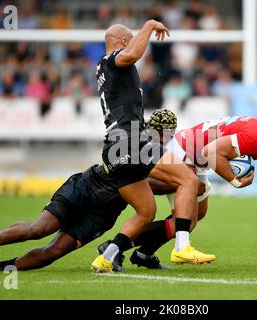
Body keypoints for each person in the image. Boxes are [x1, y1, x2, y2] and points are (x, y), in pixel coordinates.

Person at [0, 110, 205, 272]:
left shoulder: (159, 153)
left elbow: (149, 183)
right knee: (38, 230)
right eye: (165, 133)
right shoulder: (139, 144)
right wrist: (185, 181)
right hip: (86, 188)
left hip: (104, 212)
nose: (166, 138)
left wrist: (183, 181)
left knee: (53, 252)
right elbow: (145, 181)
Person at [111, 109, 257, 269]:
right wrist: (236, 181)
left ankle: (142, 254)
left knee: (198, 214)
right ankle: (116, 247)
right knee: (186, 220)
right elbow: (211, 151)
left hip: (196, 157)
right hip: (185, 152)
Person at [92, 21, 214, 273]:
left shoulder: (102, 68)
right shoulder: (115, 59)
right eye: (132, 39)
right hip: (131, 140)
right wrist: (148, 26)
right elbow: (134, 53)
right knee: (188, 180)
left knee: (146, 212)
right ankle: (182, 247)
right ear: (124, 41)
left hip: (113, 149)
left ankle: (107, 257)